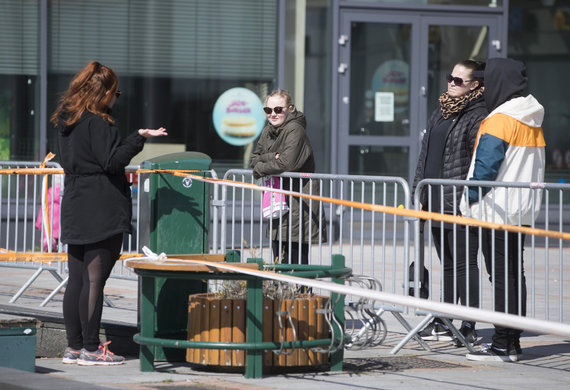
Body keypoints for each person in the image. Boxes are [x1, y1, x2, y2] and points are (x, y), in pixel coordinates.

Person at [52, 61, 167, 365]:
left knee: (76, 278)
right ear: (103, 92)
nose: (117, 98)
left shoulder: (67, 120)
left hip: (75, 200)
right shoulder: (100, 122)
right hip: (101, 202)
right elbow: (112, 162)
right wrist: (137, 137)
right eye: (116, 92)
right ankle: (91, 348)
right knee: (94, 280)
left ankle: (74, 347)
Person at [462, 58, 545, 362]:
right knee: (514, 273)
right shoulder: (531, 116)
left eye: (488, 81)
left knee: (501, 276)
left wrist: (469, 197)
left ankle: (501, 344)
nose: (484, 88)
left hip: (496, 210)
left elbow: (484, 168)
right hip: (520, 210)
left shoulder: (500, 119)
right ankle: (513, 340)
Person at [413, 60, 487, 346]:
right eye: (450, 78)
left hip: (457, 202)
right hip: (433, 198)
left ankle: (468, 324)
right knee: (447, 264)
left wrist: (466, 200)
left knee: (464, 264)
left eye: (459, 80)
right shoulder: (441, 110)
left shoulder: (477, 114)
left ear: (474, 85)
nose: (452, 83)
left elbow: (475, 162)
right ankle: (444, 319)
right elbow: (424, 155)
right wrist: (418, 194)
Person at [249, 89, 326, 265]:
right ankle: (281, 293)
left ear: (289, 108)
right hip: (277, 200)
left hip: (298, 203)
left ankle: (302, 293)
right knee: (278, 259)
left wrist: (261, 168)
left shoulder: (295, 130)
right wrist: (270, 157)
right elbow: (253, 159)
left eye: (278, 109)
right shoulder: (267, 130)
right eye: (268, 110)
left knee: (297, 261)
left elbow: (286, 164)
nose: (273, 114)